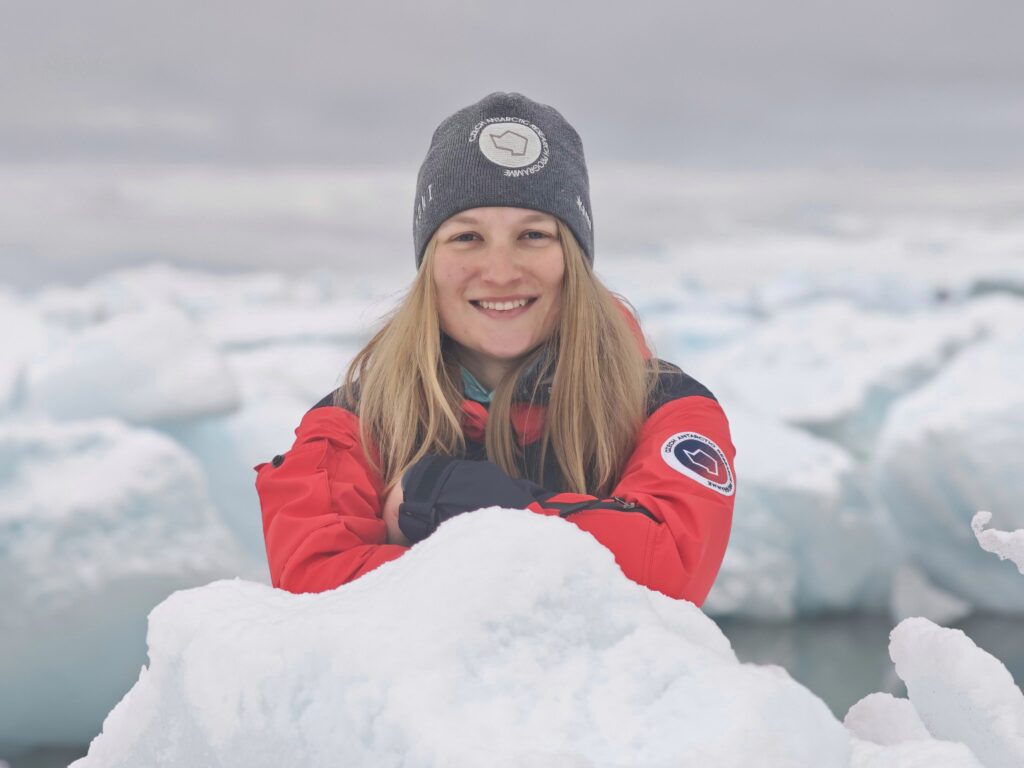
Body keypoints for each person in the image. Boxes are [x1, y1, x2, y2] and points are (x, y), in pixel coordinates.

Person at [255, 92, 735, 604]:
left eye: (533, 235)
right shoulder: (349, 426)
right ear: (429, 265)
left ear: (573, 258)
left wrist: (437, 497)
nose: (502, 272)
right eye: (467, 237)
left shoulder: (668, 407)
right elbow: (320, 596)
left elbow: (666, 573)